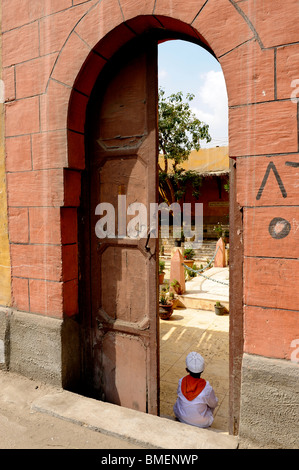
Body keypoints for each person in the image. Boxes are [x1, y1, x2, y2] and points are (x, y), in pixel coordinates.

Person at [173, 351, 218, 428]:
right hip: (201, 423)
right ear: (202, 370)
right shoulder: (207, 388)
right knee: (212, 402)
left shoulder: (181, 381)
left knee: (179, 399)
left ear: (186, 370)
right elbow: (214, 404)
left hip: (181, 417)